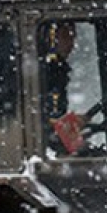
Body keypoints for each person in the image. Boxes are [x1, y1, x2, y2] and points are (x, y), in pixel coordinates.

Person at [39, 21, 85, 154]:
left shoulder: (58, 71)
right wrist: (63, 125)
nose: (71, 44)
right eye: (65, 36)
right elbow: (43, 120)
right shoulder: (45, 73)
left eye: (73, 37)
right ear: (52, 39)